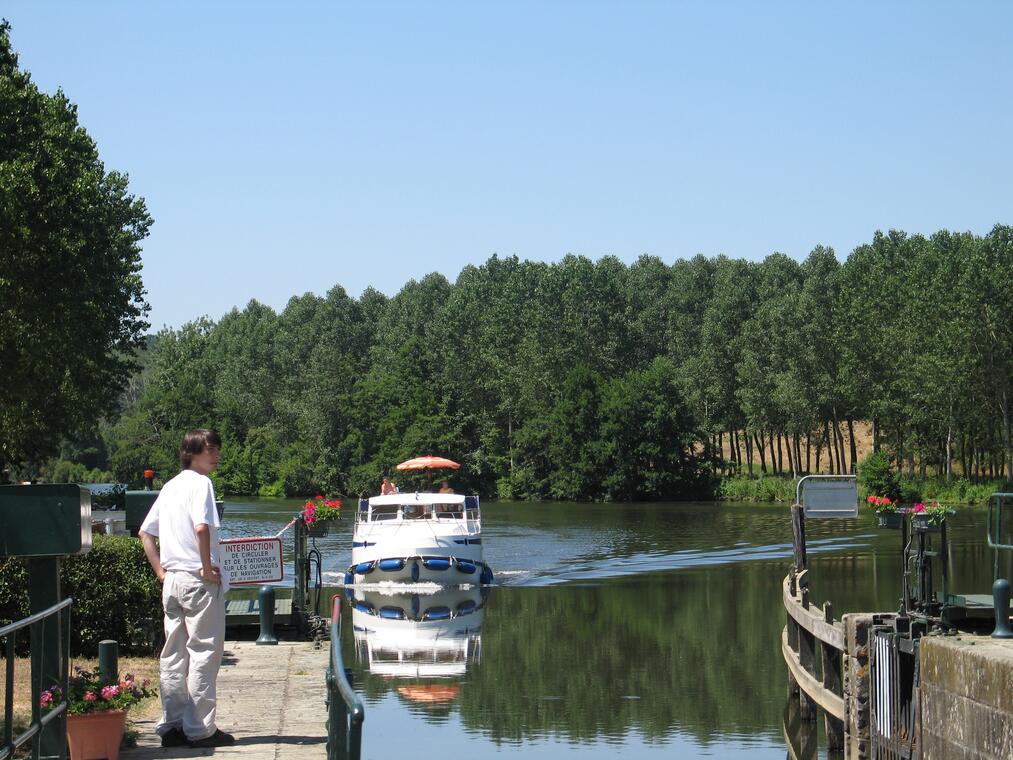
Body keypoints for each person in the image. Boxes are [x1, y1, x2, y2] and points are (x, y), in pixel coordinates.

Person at [138, 429, 235, 749]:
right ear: (191, 453)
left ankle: (172, 724)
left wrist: (160, 572)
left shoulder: (169, 486)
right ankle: (200, 729)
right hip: (197, 580)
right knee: (204, 652)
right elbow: (202, 527)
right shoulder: (201, 484)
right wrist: (206, 568)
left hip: (173, 581)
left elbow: (145, 533)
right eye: (211, 449)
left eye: (217, 448)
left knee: (174, 655)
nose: (217, 454)